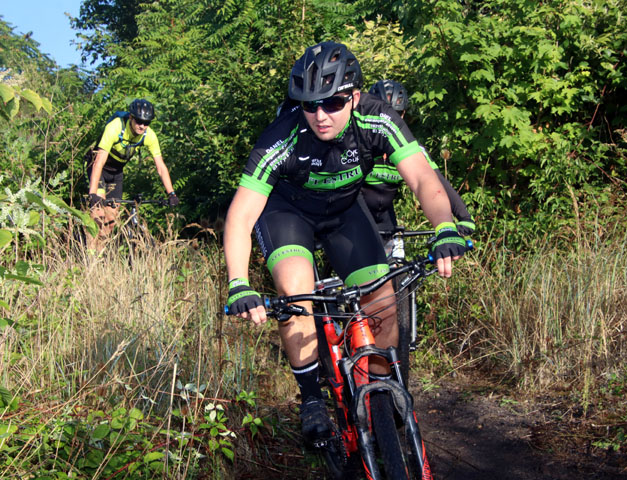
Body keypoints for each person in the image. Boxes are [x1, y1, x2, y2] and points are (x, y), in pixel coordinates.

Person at [223, 41, 468, 444]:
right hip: (288, 214)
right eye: (309, 105)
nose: (320, 116)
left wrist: (445, 226)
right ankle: (311, 398)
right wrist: (238, 282)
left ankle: (383, 386)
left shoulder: (378, 118)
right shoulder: (280, 137)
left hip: (343, 211)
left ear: (355, 96)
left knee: (382, 300)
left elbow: (423, 178)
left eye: (333, 103)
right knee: (296, 291)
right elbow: (242, 215)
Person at [363, 79, 475, 257]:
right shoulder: (360, 142)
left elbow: (436, 180)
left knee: (397, 277)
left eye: (395, 113)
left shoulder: (409, 148)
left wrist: (464, 218)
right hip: (357, 221)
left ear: (404, 113)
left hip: (386, 222)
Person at [86, 98, 179, 251]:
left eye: (146, 122)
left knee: (110, 220)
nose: (142, 126)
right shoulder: (115, 127)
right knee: (98, 214)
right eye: (139, 121)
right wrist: (92, 194)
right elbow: (99, 162)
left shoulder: (149, 136)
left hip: (116, 172)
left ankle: (99, 256)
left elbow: (160, 167)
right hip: (98, 168)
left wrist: (171, 193)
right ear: (131, 117)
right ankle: (89, 255)